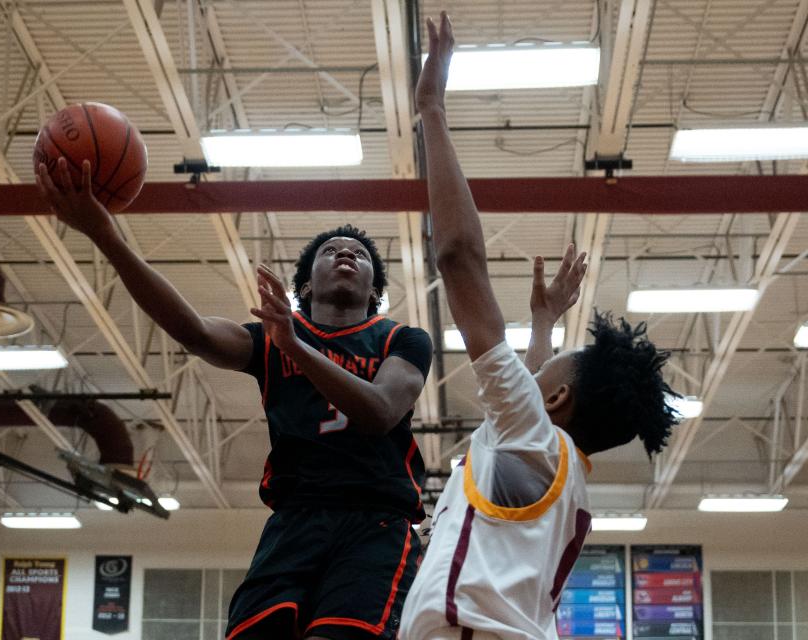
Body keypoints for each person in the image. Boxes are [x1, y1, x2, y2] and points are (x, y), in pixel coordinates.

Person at [36, 162, 433, 640]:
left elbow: (379, 413)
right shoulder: (269, 339)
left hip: (375, 524)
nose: (346, 255)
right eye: (331, 251)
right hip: (293, 523)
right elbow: (192, 330)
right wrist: (105, 234)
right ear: (305, 286)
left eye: (359, 255)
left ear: (375, 292)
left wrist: (295, 347)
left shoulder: (402, 339)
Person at [398, 12, 679, 640]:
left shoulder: (536, 445)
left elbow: (459, 257)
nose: (531, 380)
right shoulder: (555, 466)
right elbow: (523, 392)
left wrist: (432, 112)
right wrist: (545, 323)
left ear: (554, 399)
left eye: (544, 377)